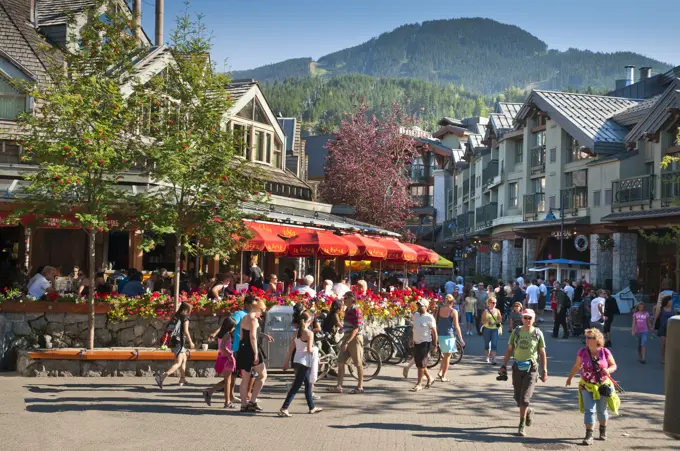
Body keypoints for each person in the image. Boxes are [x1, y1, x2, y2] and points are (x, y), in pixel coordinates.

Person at [498, 309, 548, 437]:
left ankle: (521, 425)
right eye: (525, 318)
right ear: (522, 319)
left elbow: (542, 353)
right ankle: (528, 411)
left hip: (531, 368)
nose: (527, 320)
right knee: (517, 396)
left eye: (530, 318)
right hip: (517, 367)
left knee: (525, 398)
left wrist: (544, 370)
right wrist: (504, 365)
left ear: (534, 319)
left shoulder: (537, 333)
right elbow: (509, 349)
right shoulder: (516, 332)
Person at [565, 328, 619, 445]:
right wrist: (569, 378)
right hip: (586, 385)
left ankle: (602, 430)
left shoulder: (605, 352)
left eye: (589, 338)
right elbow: (577, 366)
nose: (587, 340)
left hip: (602, 386)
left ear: (597, 339)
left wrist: (608, 370)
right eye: (586, 338)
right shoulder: (582, 352)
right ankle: (589, 435)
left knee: (601, 411)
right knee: (589, 410)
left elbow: (614, 365)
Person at [279, 311, 324, 416]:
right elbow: (309, 349)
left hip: (297, 360)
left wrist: (286, 362)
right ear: (311, 321)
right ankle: (284, 407)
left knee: (308, 384)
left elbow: (291, 348)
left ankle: (311, 407)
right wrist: (316, 350)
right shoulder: (309, 333)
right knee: (296, 386)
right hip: (304, 362)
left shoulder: (297, 332)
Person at [327, 291, 364, 394]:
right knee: (340, 362)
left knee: (358, 363)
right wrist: (343, 330)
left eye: (346, 298)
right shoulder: (347, 310)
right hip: (347, 336)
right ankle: (339, 386)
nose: (344, 299)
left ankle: (360, 386)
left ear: (352, 299)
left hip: (355, 338)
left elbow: (356, 328)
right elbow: (349, 325)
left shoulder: (356, 310)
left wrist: (347, 341)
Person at [236, 295, 268, 412]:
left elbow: (241, 334)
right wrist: (255, 353)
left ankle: (243, 404)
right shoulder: (254, 320)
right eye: (262, 311)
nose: (262, 314)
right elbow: (253, 337)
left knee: (245, 379)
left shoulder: (244, 318)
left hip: (243, 348)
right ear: (257, 309)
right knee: (263, 375)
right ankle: (253, 401)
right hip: (251, 349)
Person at [155, 302, 195, 388]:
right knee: (178, 362)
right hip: (179, 341)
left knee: (184, 359)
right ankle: (162, 377)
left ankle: (182, 379)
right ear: (187, 310)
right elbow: (186, 331)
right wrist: (191, 342)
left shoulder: (176, 316)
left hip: (173, 340)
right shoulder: (185, 317)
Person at [203, 317, 237, 408]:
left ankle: (211, 392)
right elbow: (222, 347)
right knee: (228, 381)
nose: (234, 329)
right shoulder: (227, 335)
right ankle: (227, 402)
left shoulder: (221, 334)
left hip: (222, 357)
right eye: (233, 327)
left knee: (229, 380)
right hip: (226, 358)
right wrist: (229, 356)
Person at [405, 299, 437, 391]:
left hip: (425, 343)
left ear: (426, 307)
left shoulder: (429, 317)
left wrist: (435, 345)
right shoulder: (416, 315)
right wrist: (411, 339)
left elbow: (434, 332)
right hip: (416, 342)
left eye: (421, 306)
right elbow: (413, 327)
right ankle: (430, 378)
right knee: (419, 363)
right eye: (418, 305)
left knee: (421, 364)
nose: (419, 307)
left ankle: (419, 384)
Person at [436, 294, 464, 382]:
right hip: (449, 335)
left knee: (445, 355)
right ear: (452, 302)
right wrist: (461, 338)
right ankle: (443, 375)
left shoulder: (439, 309)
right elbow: (456, 326)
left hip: (440, 334)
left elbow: (435, 321)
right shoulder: (453, 311)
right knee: (448, 357)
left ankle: (440, 371)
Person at [481, 297, 502, 364]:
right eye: (493, 302)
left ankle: (493, 358)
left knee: (494, 344)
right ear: (489, 303)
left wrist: (494, 323)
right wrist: (487, 321)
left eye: (495, 303)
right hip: (487, 329)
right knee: (487, 344)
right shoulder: (485, 311)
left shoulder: (497, 310)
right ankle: (487, 357)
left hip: (495, 329)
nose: (494, 304)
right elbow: (482, 321)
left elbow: (500, 319)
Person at [654, 295, 674, 364]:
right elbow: (656, 317)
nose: (671, 302)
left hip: (671, 328)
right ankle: (663, 358)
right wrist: (653, 326)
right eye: (670, 301)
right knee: (663, 343)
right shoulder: (661, 309)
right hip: (663, 327)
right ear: (667, 302)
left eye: (671, 301)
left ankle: (668, 357)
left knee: (669, 344)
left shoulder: (673, 309)